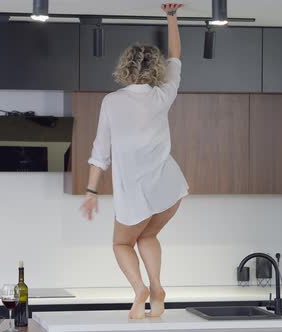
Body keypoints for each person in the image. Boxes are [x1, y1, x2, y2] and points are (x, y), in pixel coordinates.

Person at [80, 3, 187, 320]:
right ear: (157, 69)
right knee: (148, 236)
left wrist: (91, 192)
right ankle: (157, 290)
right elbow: (176, 56)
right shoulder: (164, 93)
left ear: (125, 68)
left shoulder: (112, 102)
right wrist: (171, 17)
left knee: (121, 244)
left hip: (135, 195)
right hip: (169, 189)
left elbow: (101, 150)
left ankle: (140, 288)